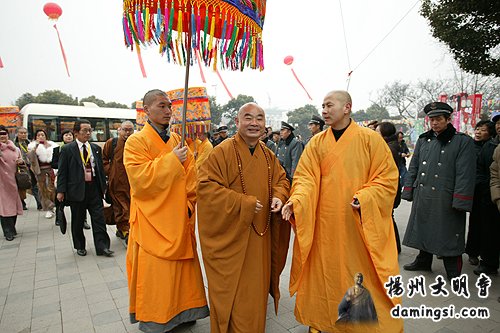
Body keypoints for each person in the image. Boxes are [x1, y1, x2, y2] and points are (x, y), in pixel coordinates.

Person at [281, 90, 402, 332]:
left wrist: (365, 197)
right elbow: (305, 178)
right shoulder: (316, 143)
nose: (324, 110)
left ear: (347, 107)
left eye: (329, 105)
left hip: (356, 224)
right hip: (324, 225)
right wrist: (297, 200)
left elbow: (388, 178)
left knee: (357, 275)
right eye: (322, 106)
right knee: (325, 274)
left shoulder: (370, 139)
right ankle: (323, 321)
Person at [197, 102, 290, 333]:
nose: (254, 123)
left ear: (265, 125)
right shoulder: (222, 151)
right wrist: (242, 203)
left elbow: (282, 180)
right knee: (234, 297)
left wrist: (278, 196)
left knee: (255, 297)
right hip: (231, 241)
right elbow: (205, 187)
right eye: (248, 118)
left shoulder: (268, 155)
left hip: (260, 239)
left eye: (259, 118)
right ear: (237, 122)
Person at [124, 89, 208, 333]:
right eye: (161, 106)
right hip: (152, 219)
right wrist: (172, 160)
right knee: (156, 274)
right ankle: (156, 318)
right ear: (147, 109)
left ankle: (185, 312)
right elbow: (139, 179)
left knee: (182, 273)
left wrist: (190, 205)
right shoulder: (136, 141)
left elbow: (191, 178)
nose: (168, 110)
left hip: (178, 217)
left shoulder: (178, 141)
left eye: (169, 106)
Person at [402, 102, 476, 280]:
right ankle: (423, 260)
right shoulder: (423, 139)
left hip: (446, 196)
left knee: (448, 233)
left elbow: (465, 173)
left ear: (448, 119)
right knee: (423, 228)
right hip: (424, 194)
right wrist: (408, 189)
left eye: (438, 119)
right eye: (432, 119)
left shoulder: (462, 141)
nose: (434, 123)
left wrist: (461, 200)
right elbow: (414, 166)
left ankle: (452, 270)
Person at [56, 120, 114, 257]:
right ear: (76, 133)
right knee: (78, 220)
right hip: (76, 190)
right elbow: (62, 171)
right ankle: (80, 246)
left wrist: (104, 187)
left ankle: (103, 247)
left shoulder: (95, 149)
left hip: (94, 188)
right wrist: (60, 191)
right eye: (84, 131)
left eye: (90, 130)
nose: (88, 133)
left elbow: (99, 169)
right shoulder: (67, 149)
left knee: (99, 219)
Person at [472, 113, 500, 276]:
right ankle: (489, 262)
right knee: (489, 231)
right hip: (490, 196)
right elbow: (488, 172)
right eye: (497, 123)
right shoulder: (490, 147)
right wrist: (492, 193)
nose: (499, 126)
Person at [465, 120, 496, 266]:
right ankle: (472, 252)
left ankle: (488, 255)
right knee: (476, 222)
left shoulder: (492, 146)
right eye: (477, 129)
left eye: (482, 130)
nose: (478, 132)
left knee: (488, 226)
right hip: (476, 190)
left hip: (490, 191)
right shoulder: (468, 146)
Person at [102, 121, 134, 243]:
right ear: (119, 130)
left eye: (130, 130)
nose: (127, 133)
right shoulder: (112, 143)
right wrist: (111, 172)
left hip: (132, 182)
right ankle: (126, 231)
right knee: (122, 207)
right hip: (117, 182)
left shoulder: (137, 142)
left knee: (129, 207)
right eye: (125, 130)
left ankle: (121, 229)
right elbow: (104, 159)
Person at [376, 122, 403, 253]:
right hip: (392, 187)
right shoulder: (391, 145)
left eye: (377, 132)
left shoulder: (388, 149)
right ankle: (394, 247)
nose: (375, 134)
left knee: (388, 217)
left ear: (384, 134)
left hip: (389, 188)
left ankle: (394, 247)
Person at [51, 129, 80, 227]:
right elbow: (53, 163)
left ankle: (82, 220)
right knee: (60, 198)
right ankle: (59, 218)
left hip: (76, 177)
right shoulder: (58, 149)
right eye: (66, 135)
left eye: (70, 135)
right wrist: (63, 165)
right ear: (62, 137)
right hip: (62, 176)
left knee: (80, 199)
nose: (68, 137)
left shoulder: (79, 147)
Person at [0, 125, 24, 241]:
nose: (2, 136)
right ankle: (7, 231)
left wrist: (21, 162)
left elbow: (23, 162)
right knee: (4, 207)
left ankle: (12, 227)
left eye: (4, 133)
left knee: (13, 206)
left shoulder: (15, 148)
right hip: (1, 183)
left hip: (13, 181)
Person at [27, 129, 58, 218]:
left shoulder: (52, 145)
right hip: (40, 171)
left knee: (52, 188)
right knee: (43, 189)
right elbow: (31, 159)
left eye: (42, 135)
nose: (41, 136)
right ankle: (48, 208)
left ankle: (54, 204)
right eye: (38, 135)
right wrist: (35, 148)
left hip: (51, 169)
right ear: (36, 137)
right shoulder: (32, 146)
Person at [14, 126, 42, 211]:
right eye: (21, 133)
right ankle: (22, 203)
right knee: (21, 186)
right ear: (17, 134)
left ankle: (39, 203)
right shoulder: (14, 145)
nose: (23, 134)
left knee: (34, 186)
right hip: (20, 168)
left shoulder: (30, 143)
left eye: (25, 133)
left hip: (31, 168)